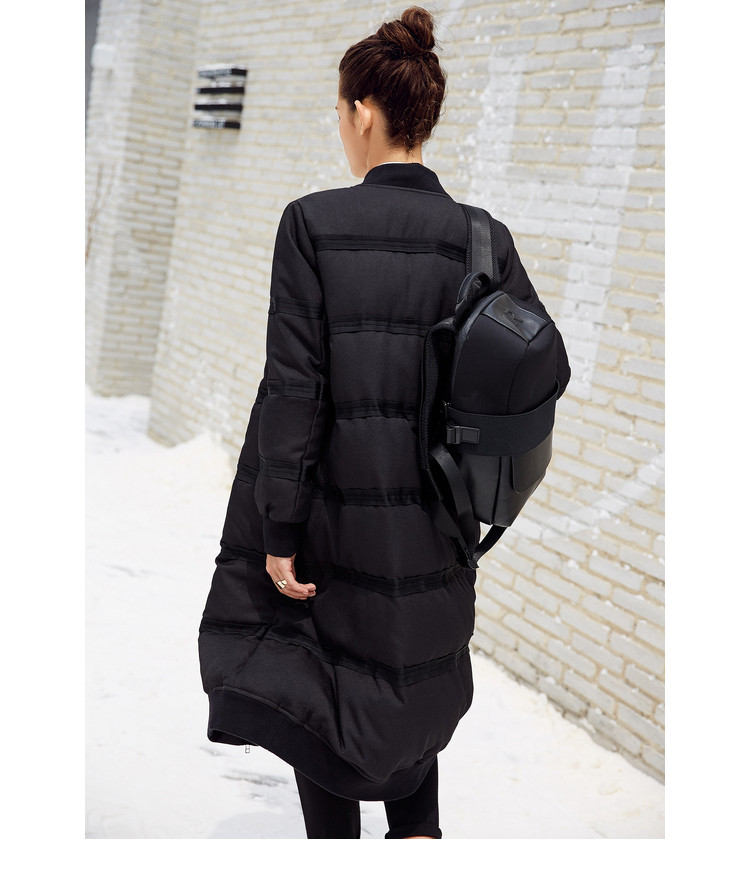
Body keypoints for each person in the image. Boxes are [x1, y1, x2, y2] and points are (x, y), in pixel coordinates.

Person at [198, 6, 571, 840]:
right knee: (409, 691)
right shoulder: (483, 239)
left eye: (339, 109)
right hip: (437, 530)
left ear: (364, 111)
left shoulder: (312, 224)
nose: (340, 125)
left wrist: (279, 528)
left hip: (333, 526)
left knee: (325, 695)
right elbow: (545, 367)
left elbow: (295, 390)